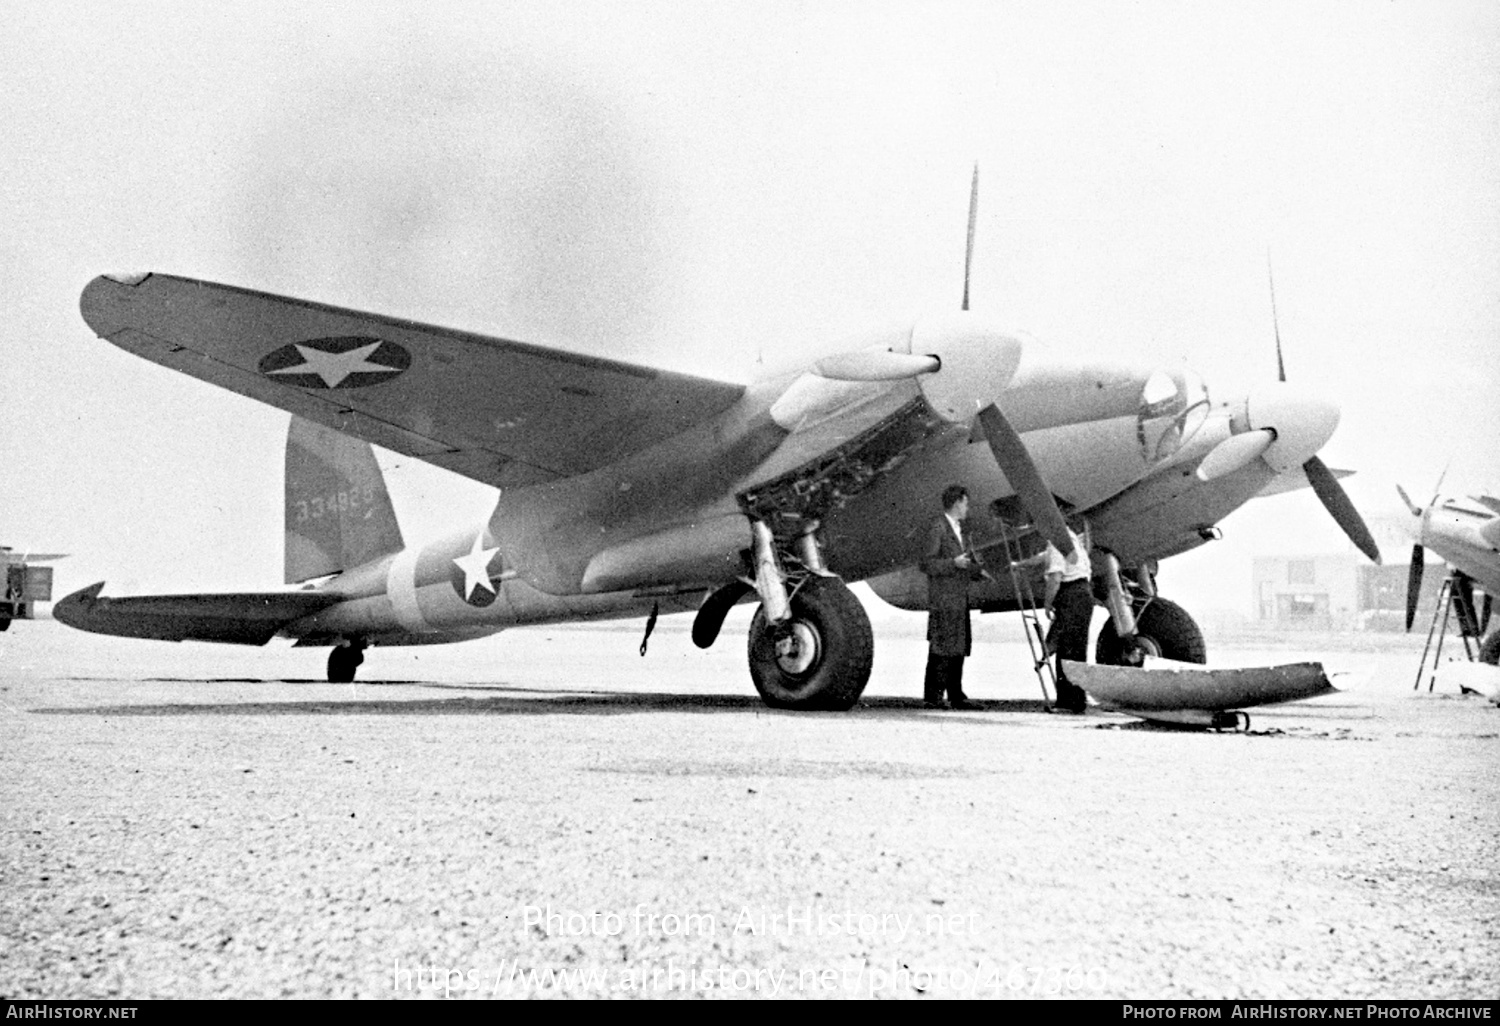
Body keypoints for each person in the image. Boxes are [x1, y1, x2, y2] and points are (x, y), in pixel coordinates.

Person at [920, 485, 987, 710]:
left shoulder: (959, 529)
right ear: (957, 502)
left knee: (958, 646)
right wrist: (953, 563)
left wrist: (977, 570)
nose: (967, 508)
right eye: (966, 503)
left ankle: (956, 694)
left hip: (958, 597)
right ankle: (933, 695)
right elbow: (926, 563)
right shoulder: (937, 527)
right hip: (944, 598)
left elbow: (961, 562)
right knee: (942, 647)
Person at [1043, 525, 1093, 713]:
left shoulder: (1056, 542)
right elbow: (1046, 558)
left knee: (1067, 650)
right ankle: (1077, 700)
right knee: (1076, 649)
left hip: (1071, 594)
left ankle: (1068, 702)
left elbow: (1056, 577)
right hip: (1083, 593)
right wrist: (1025, 563)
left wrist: (1047, 603)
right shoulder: (1069, 538)